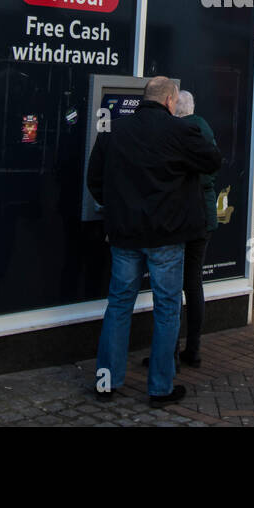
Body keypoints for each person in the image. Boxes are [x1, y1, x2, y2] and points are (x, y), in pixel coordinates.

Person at [86, 75, 221, 405]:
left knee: (118, 305)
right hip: (167, 235)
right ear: (171, 101)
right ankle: (160, 388)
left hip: (124, 235)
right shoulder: (180, 131)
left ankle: (106, 382)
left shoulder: (114, 132)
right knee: (167, 308)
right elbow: (213, 161)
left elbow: (95, 180)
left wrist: (118, 208)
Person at [174, 90, 218, 366]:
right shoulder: (205, 130)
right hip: (205, 215)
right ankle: (194, 348)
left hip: (181, 215)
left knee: (173, 284)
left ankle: (171, 349)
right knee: (194, 283)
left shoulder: (179, 132)